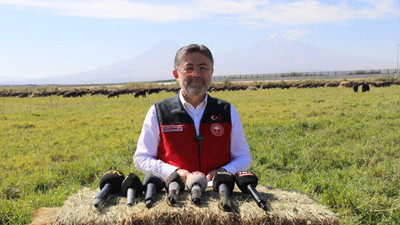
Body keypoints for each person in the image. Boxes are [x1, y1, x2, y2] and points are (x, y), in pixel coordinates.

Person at [133, 44, 251, 183]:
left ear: (211, 72)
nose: (196, 74)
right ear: (176, 74)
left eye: (203, 68)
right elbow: (142, 157)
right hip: (174, 192)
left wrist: (224, 172)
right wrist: (173, 172)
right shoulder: (158, 112)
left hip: (219, 190)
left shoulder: (227, 111)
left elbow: (243, 157)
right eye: (188, 68)